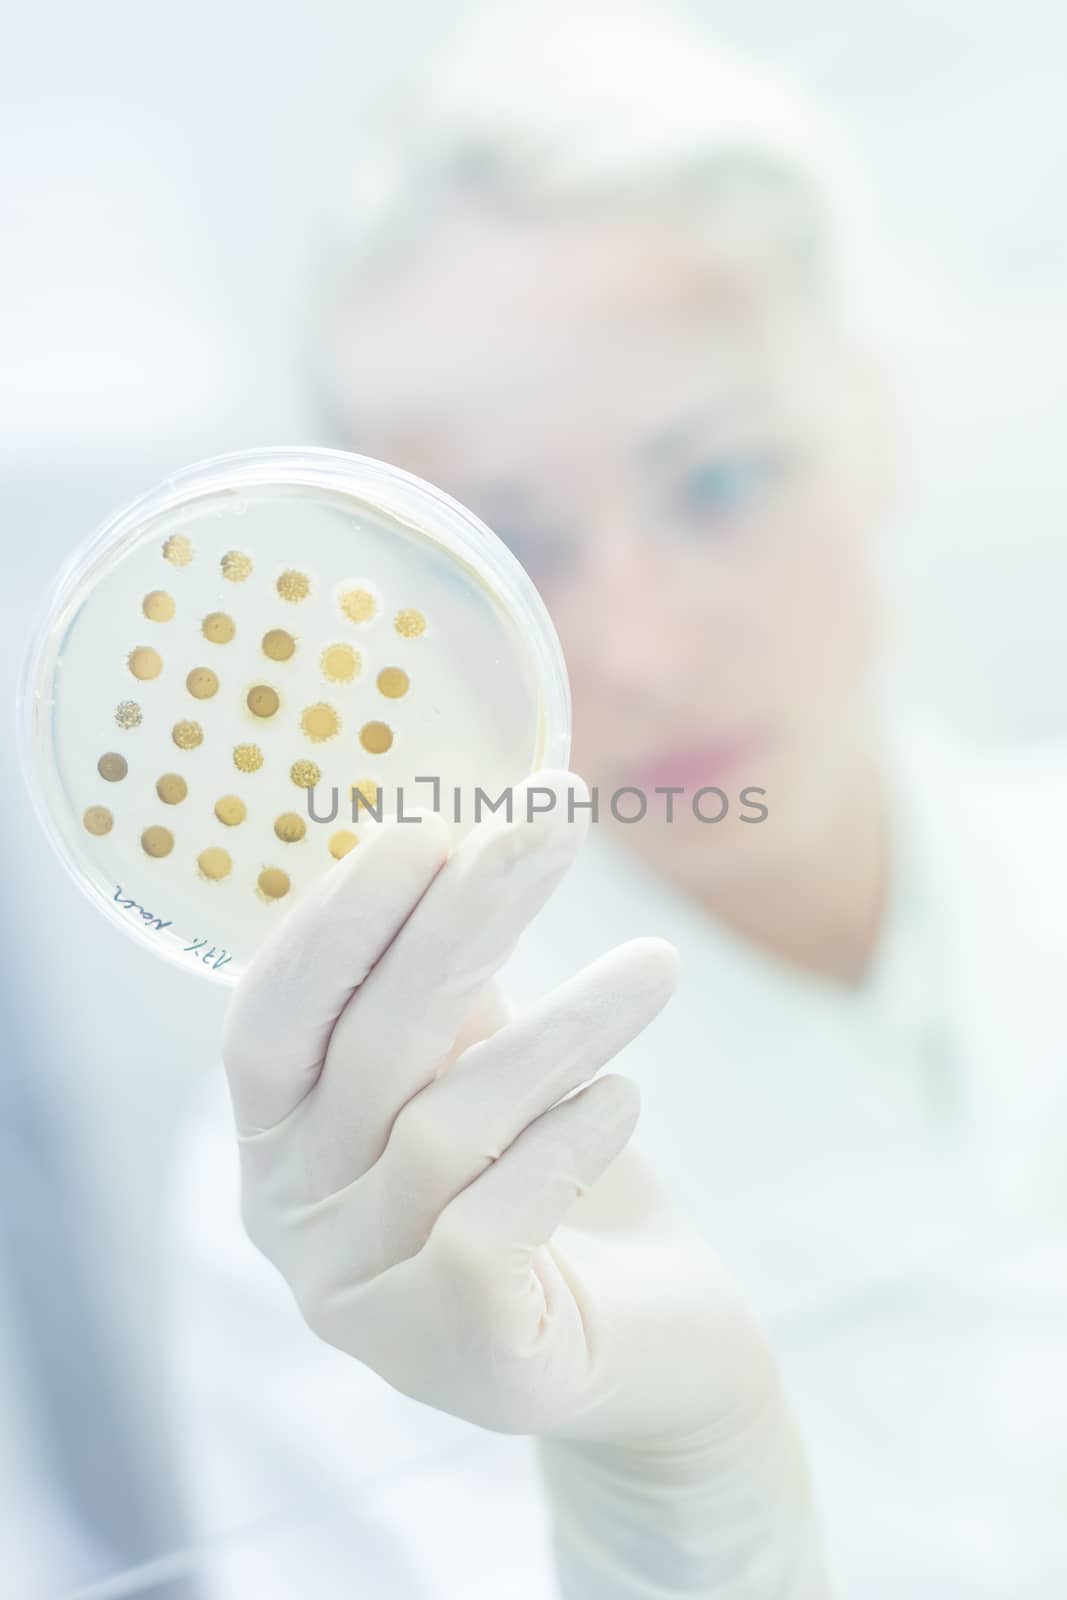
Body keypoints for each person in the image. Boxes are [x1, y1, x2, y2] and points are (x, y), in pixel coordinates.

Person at [165, 5, 1067, 1596]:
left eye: (722, 479)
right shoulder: (351, 1174)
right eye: (515, 552)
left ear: (875, 422)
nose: (635, 651)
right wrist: (677, 1506)